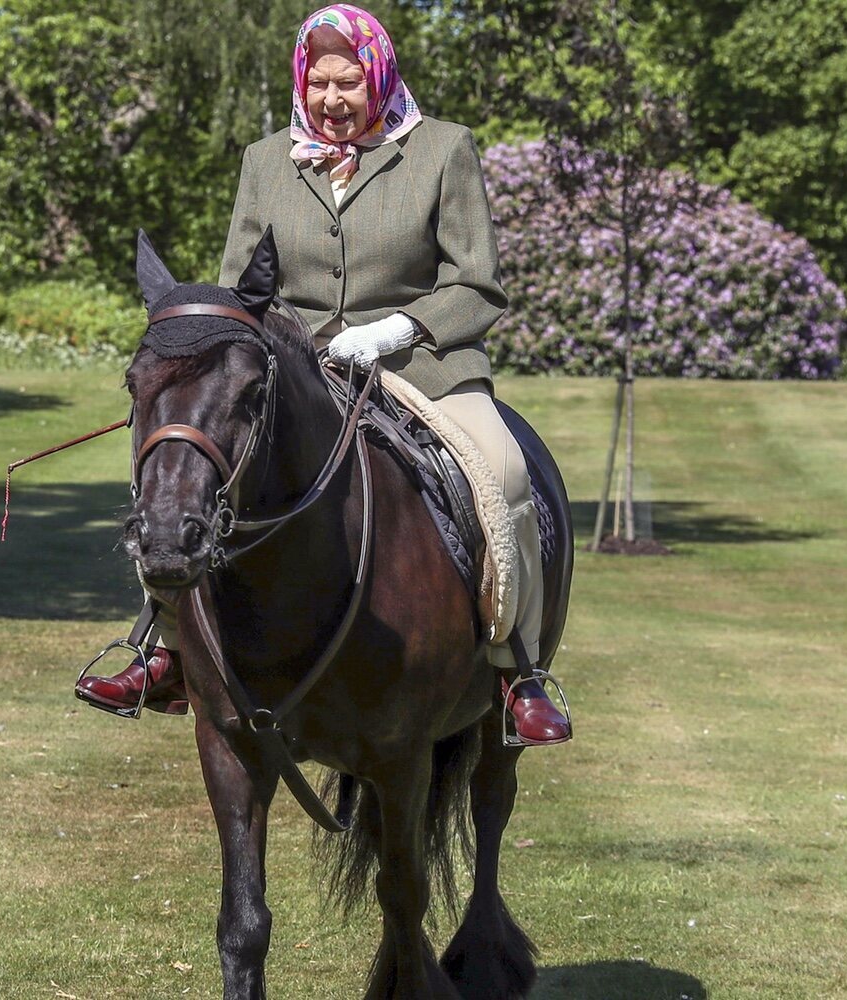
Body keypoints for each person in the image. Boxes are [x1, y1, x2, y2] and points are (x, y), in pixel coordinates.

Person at [77, 3, 569, 745]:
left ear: (378, 75)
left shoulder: (442, 150)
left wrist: (398, 330)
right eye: (320, 84)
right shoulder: (265, 159)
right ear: (301, 82)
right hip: (295, 367)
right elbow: (241, 288)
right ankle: (166, 648)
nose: (333, 100)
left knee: (503, 472)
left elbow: (478, 285)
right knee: (190, 470)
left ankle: (515, 668)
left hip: (422, 364)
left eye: (349, 83)